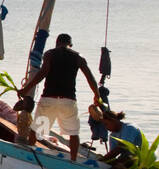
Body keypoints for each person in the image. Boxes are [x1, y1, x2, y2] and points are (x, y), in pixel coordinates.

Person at [17, 33, 100, 161]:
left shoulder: (50, 54)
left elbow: (42, 73)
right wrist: (96, 95)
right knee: (73, 133)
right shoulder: (78, 57)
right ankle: (73, 161)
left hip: (49, 98)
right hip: (68, 100)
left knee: (36, 129)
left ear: (57, 42)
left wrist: (26, 89)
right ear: (70, 45)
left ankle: (31, 155)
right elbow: (90, 77)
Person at [89, 105, 145, 169]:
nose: (106, 128)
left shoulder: (129, 128)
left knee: (115, 167)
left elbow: (121, 148)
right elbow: (112, 154)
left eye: (106, 124)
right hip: (125, 157)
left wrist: (101, 160)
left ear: (113, 120)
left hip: (137, 158)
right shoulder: (113, 135)